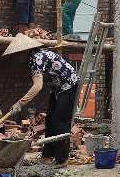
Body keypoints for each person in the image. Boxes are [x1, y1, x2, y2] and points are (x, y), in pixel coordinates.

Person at [4, 33, 78, 165]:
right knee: (50, 120)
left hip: (68, 85)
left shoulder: (37, 58)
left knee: (59, 121)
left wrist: (20, 103)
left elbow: (38, 86)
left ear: (25, 51)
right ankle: (48, 155)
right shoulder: (35, 56)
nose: (17, 57)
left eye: (18, 54)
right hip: (57, 87)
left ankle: (62, 159)